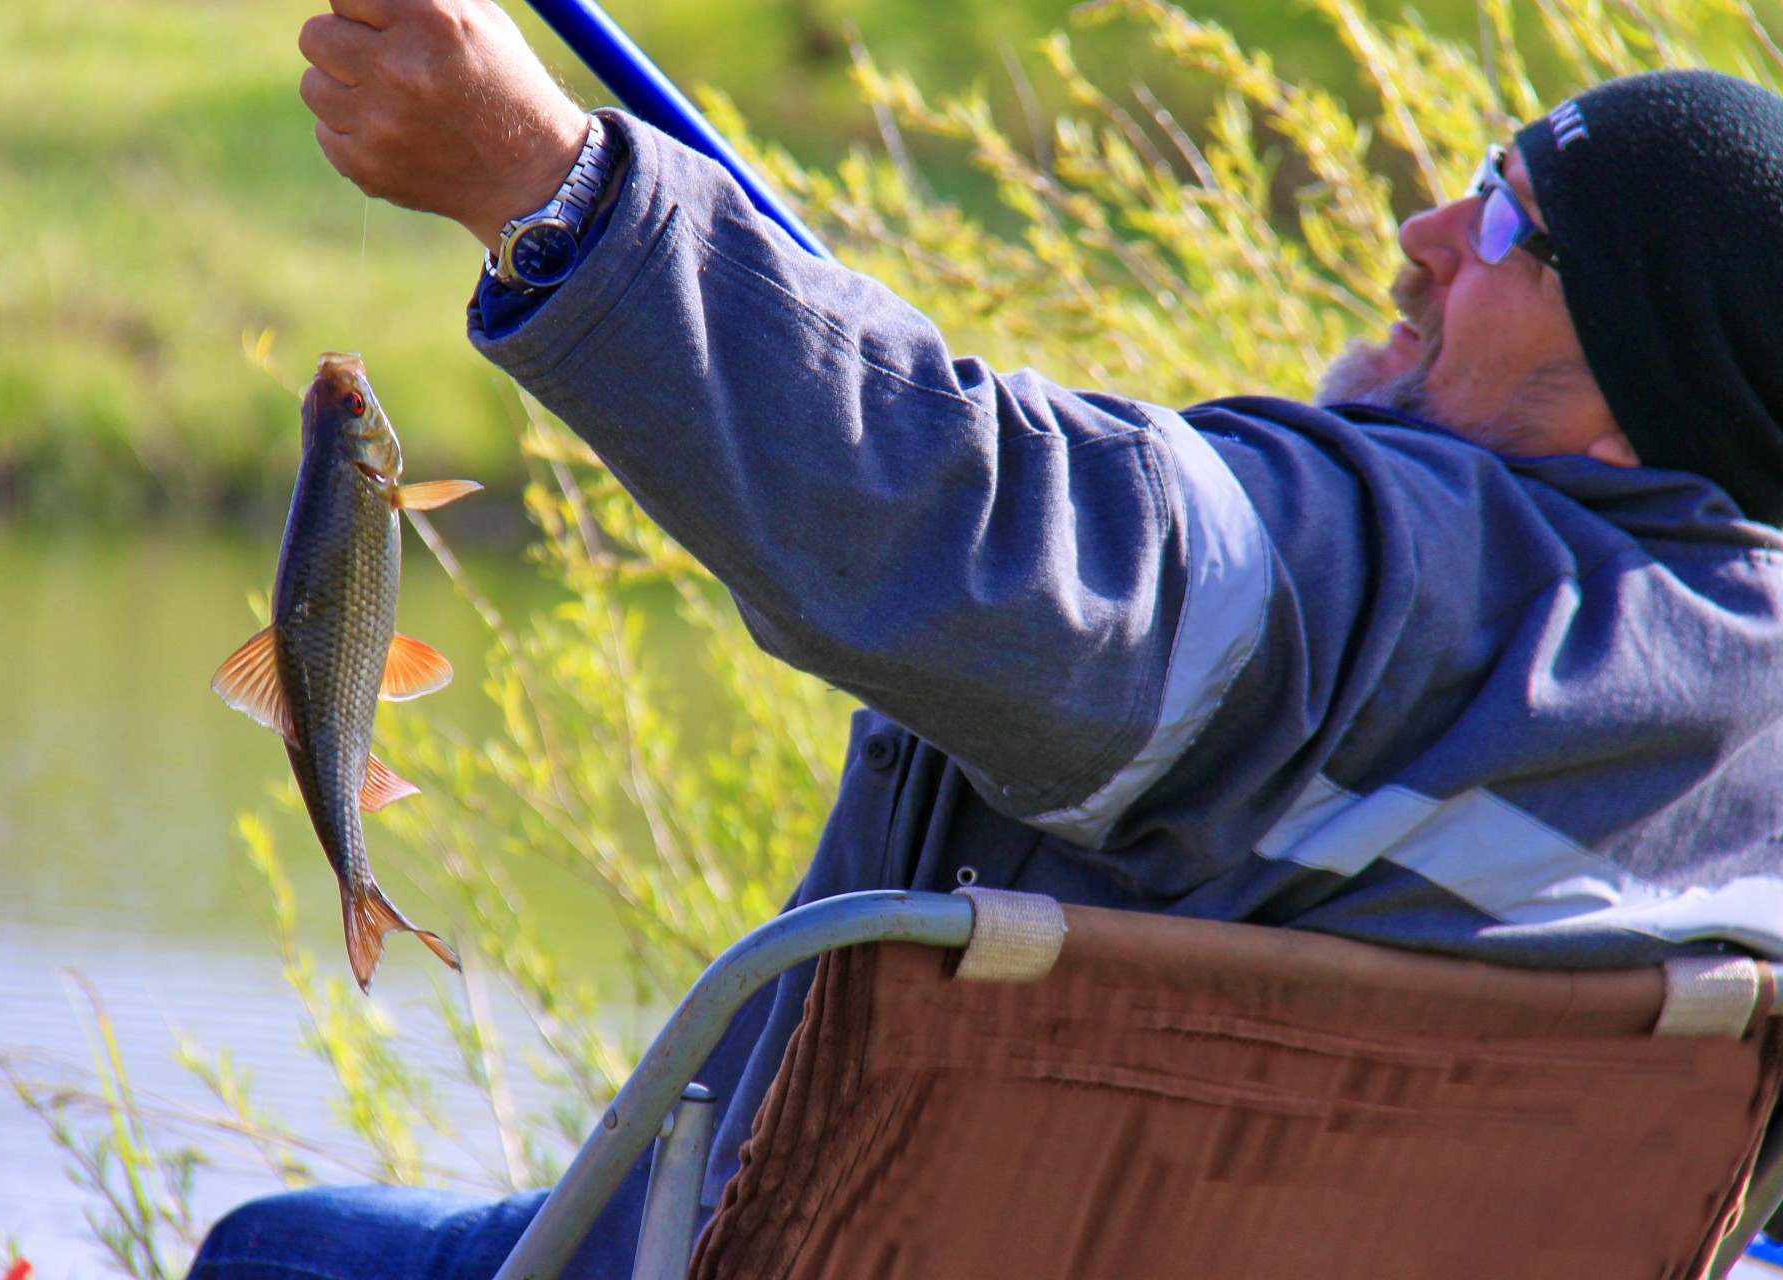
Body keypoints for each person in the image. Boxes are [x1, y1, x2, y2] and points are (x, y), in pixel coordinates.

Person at [186, 1, 1783, 1275]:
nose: (1424, 234)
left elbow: (975, 529)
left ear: (1654, 364)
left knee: (280, 1254)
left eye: (1508, 219)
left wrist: (542, 187)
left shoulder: (1393, 588)